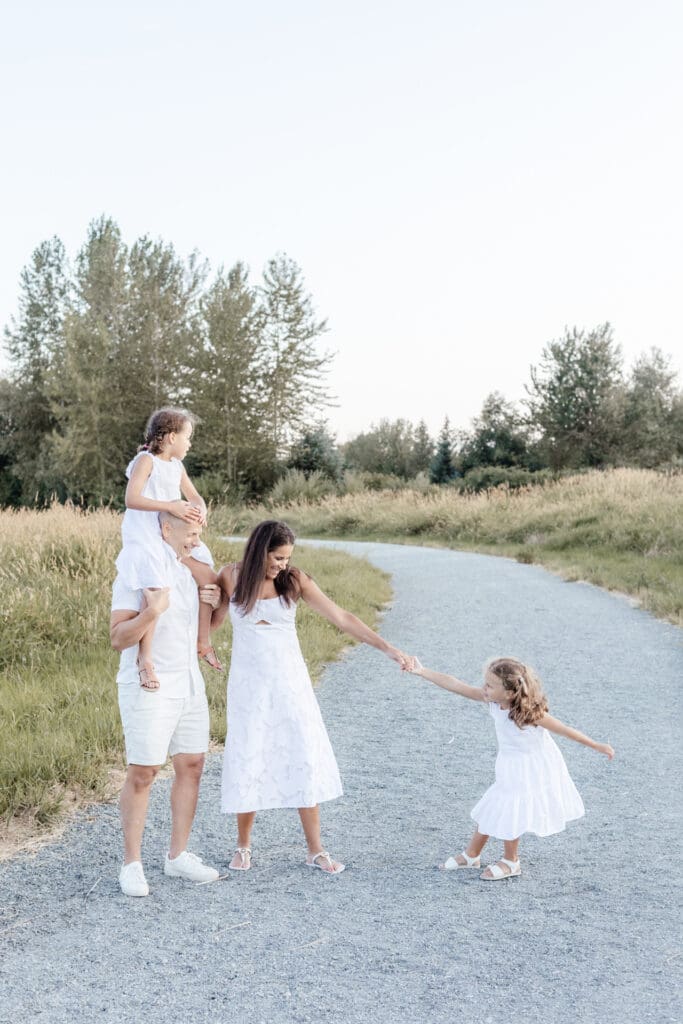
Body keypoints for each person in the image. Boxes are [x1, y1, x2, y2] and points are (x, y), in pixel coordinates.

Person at [214, 520, 412, 876]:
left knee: (302, 753)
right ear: (259, 551)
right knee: (250, 753)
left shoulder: (294, 581)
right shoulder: (230, 576)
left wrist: (389, 649)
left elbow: (342, 617)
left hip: (291, 683)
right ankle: (243, 846)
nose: (282, 565)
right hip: (249, 686)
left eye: (287, 557)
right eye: (277, 557)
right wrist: (206, 613)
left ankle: (315, 849)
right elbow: (212, 620)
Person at [408, 655, 614, 880]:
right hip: (509, 763)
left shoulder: (531, 714)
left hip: (530, 767)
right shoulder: (493, 701)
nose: (483, 688)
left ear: (510, 692)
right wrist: (423, 671)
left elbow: (564, 729)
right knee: (494, 804)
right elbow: (456, 684)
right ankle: (472, 855)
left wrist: (596, 745)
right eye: (485, 683)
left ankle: (511, 861)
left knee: (510, 808)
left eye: (489, 685)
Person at [110, 511, 223, 897]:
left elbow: (197, 634)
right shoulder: (137, 572)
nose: (195, 540)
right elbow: (118, 638)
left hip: (189, 680)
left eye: (198, 533)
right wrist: (151, 611)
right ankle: (132, 865)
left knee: (192, 764)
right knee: (144, 772)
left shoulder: (191, 573)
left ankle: (177, 857)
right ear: (165, 528)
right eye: (189, 533)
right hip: (149, 685)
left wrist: (216, 603)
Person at [115, 407, 223, 691]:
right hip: (148, 532)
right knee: (157, 582)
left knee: (206, 568)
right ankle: (145, 659)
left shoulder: (177, 467)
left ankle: (202, 640)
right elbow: (132, 498)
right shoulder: (146, 461)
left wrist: (200, 509)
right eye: (188, 437)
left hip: (172, 532)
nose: (190, 444)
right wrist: (169, 506)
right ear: (172, 437)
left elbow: (194, 495)